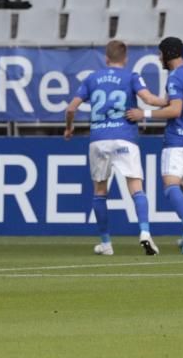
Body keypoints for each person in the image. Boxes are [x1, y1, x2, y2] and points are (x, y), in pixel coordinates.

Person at [63, 40, 165, 256]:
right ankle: (145, 233)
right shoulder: (131, 77)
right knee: (136, 188)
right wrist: (169, 102)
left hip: (99, 139)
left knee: (100, 191)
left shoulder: (92, 78)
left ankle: (106, 243)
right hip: (124, 137)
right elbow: (148, 99)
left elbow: (71, 108)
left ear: (106, 58)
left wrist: (69, 128)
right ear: (125, 58)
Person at [133, 37, 183, 255]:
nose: (159, 58)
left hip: (177, 139)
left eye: (160, 53)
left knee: (170, 186)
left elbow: (175, 110)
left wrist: (145, 114)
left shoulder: (175, 76)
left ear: (168, 54)